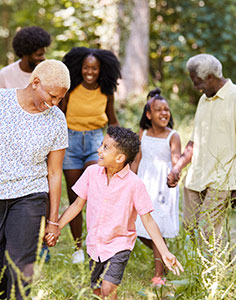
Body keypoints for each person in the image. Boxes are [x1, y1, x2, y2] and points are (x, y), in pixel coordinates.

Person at [0, 59, 70, 300]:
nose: (54, 103)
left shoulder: (57, 120)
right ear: (35, 82)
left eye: (59, 99)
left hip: (31, 195)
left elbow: (54, 173)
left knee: (20, 264)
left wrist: (53, 220)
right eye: (51, 96)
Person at [45, 126, 184, 300]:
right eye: (102, 145)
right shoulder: (91, 173)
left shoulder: (135, 184)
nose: (98, 150)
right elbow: (76, 205)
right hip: (95, 244)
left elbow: (148, 220)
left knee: (108, 289)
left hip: (120, 244)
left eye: (105, 147)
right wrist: (56, 226)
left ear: (119, 158)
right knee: (96, 291)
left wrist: (164, 252)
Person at [167, 54, 236, 239]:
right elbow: (194, 141)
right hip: (196, 177)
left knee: (209, 233)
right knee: (189, 229)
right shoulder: (204, 100)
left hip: (222, 179)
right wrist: (178, 167)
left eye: (198, 82)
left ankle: (219, 268)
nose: (196, 88)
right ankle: (199, 268)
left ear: (211, 77)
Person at [59, 47, 121, 264]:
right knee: (75, 196)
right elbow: (59, 115)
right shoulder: (71, 89)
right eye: (86, 67)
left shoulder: (106, 91)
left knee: (97, 193)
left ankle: (98, 245)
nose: (90, 72)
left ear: (101, 69)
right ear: (80, 68)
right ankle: (77, 247)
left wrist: (121, 144)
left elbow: (112, 120)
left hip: (96, 141)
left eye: (94, 68)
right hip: (70, 141)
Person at [131, 88, 181, 286]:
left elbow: (176, 161)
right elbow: (136, 160)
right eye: (158, 110)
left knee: (157, 228)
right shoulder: (142, 133)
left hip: (162, 188)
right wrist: (130, 181)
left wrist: (175, 174)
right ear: (149, 115)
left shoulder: (173, 136)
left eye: (166, 109)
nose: (164, 113)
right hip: (144, 183)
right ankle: (164, 253)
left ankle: (159, 276)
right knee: (139, 227)